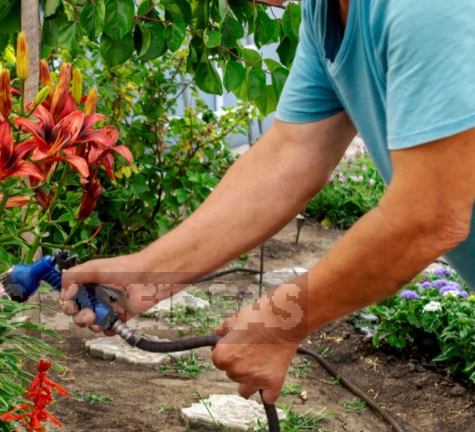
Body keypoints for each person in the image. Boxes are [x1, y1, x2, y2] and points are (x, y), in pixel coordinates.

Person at [59, 0, 475, 403]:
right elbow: (288, 157)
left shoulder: (424, 8)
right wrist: (147, 273)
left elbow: (429, 214)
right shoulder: (326, 11)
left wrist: (279, 321)